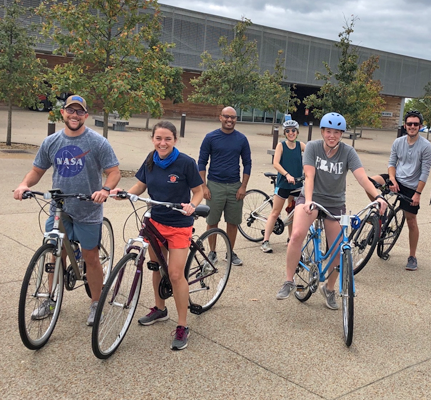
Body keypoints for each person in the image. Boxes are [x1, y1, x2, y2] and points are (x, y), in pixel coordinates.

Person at [13, 95, 121, 326]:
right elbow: (37, 170)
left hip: (88, 209)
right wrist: (24, 185)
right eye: (70, 111)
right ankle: (51, 299)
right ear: (62, 113)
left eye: (79, 112)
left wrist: (105, 189)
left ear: (85, 115)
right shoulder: (51, 142)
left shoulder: (97, 142)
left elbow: (114, 172)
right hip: (59, 207)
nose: (74, 115)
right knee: (55, 253)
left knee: (91, 257)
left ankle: (96, 302)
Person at [275, 112, 387, 304]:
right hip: (312, 198)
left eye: (336, 132)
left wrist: (377, 196)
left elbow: (361, 177)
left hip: (335, 203)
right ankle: (288, 280)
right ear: (322, 131)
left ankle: (329, 288)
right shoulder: (312, 147)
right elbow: (309, 176)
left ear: (342, 134)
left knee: (337, 248)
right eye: (328, 131)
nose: (332, 136)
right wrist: (308, 200)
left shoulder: (348, 152)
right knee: (296, 234)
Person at [113, 121, 203, 351]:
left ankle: (182, 325)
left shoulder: (186, 163)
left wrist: (192, 205)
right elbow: (141, 185)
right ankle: (160, 308)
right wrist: (125, 194)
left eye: (167, 139)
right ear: (153, 139)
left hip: (179, 224)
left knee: (174, 274)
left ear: (175, 140)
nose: (162, 143)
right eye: (158, 139)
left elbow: (199, 191)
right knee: (155, 265)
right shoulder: (150, 159)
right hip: (155, 221)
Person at [366, 110, 431, 271]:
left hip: (411, 187)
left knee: (411, 220)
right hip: (396, 178)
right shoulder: (398, 142)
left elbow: (425, 173)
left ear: (420, 126)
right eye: (409, 123)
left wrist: (418, 194)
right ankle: (380, 214)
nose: (412, 126)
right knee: (369, 183)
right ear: (405, 125)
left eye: (415, 124)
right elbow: (392, 163)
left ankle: (412, 256)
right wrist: (393, 179)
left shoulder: (426, 147)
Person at [198, 106, 252, 266]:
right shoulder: (210, 138)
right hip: (214, 185)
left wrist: (243, 187)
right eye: (226, 117)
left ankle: (230, 252)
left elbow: (247, 163)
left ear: (236, 119)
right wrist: (204, 187)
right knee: (212, 221)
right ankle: (212, 252)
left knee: (233, 222)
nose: (230, 120)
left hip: (235, 186)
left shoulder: (241, 139)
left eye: (233, 117)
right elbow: (201, 162)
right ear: (220, 117)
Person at [261, 119, 305, 253]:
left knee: (293, 212)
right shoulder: (281, 146)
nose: (291, 133)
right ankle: (265, 241)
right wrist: (286, 174)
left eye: (293, 131)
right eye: (288, 131)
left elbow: (312, 154)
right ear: (285, 133)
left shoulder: (300, 145)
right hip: (284, 183)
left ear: (297, 132)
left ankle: (291, 238)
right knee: (275, 212)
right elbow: (276, 163)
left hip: (297, 183)